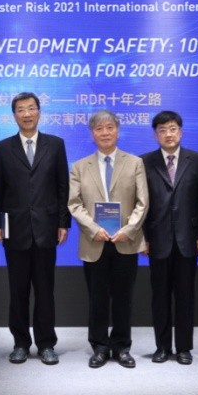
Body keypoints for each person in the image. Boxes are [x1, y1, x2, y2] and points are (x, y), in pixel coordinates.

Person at [0, 92, 70, 365]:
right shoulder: (3, 148)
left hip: (47, 227)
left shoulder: (55, 145)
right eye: (21, 110)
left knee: (45, 291)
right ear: (14, 115)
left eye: (31, 108)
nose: (27, 114)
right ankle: (21, 343)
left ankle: (46, 344)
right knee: (18, 290)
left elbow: (62, 186)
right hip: (15, 230)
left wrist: (63, 222)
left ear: (39, 112)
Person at [68, 110, 149, 368]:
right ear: (92, 134)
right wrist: (94, 229)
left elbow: (142, 202)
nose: (105, 133)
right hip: (95, 242)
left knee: (124, 298)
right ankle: (100, 347)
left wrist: (129, 229)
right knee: (98, 299)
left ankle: (122, 347)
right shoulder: (80, 167)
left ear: (118, 130)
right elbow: (74, 204)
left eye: (110, 127)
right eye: (99, 129)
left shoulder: (135, 163)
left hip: (126, 241)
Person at [140, 110, 198, 364]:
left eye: (172, 129)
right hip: (157, 239)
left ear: (181, 131)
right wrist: (143, 237)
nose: (168, 134)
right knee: (160, 296)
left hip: (188, 238)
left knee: (185, 295)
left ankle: (184, 348)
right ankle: (162, 346)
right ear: (155, 135)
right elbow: (140, 203)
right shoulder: (143, 162)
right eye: (162, 130)